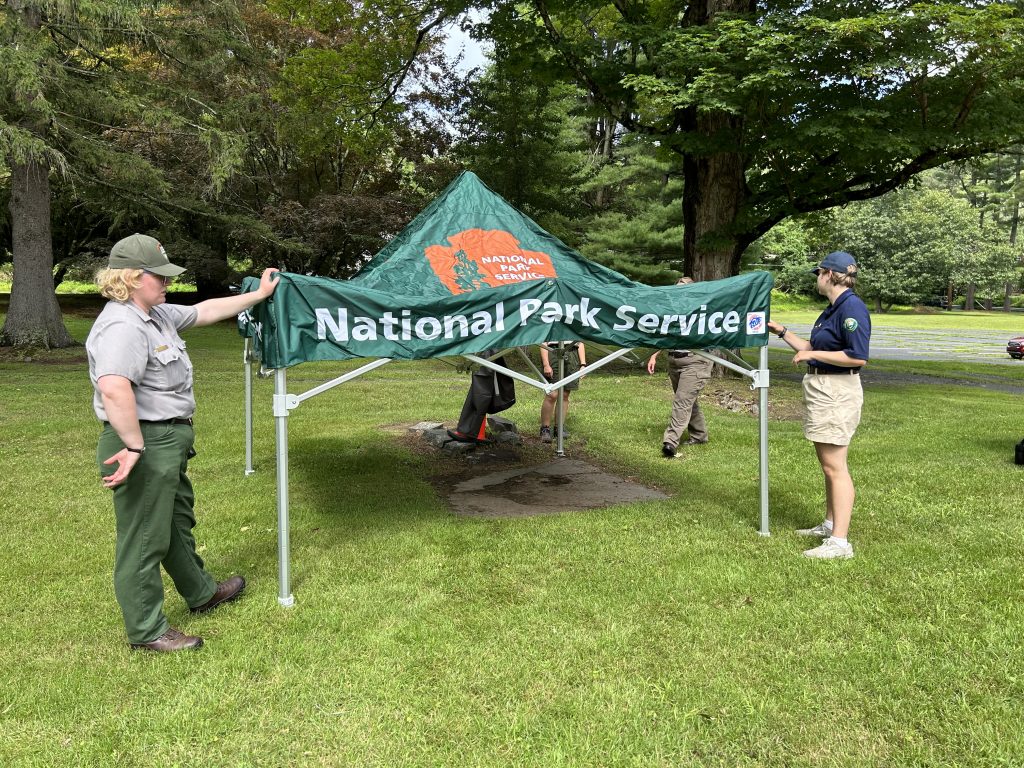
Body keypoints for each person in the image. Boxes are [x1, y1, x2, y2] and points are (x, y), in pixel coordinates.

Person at [86, 233, 281, 652]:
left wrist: (259, 295)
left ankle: (201, 592)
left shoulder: (153, 314)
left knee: (175, 523)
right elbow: (115, 387)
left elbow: (205, 311)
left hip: (165, 440)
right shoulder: (122, 325)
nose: (168, 283)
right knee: (144, 538)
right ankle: (147, 630)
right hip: (143, 442)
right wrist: (136, 447)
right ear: (134, 278)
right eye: (160, 277)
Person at [767, 250, 871, 560]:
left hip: (837, 391)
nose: (817, 278)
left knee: (835, 467)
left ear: (828, 274)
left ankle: (840, 543)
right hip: (824, 388)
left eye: (818, 273)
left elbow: (857, 356)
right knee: (828, 465)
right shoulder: (832, 309)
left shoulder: (851, 309)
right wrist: (783, 332)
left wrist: (814, 356)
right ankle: (829, 525)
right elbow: (814, 347)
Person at [646, 277, 713, 459]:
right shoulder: (673, 311)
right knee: (687, 400)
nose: (679, 292)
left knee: (682, 401)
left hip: (696, 360)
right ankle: (699, 436)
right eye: (677, 289)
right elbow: (668, 335)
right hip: (674, 360)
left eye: (683, 289)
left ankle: (670, 442)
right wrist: (655, 354)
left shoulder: (702, 311)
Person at [447, 349, 516, 443]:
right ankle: (473, 430)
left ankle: (470, 431)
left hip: (487, 344)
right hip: (487, 343)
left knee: (482, 378)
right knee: (481, 379)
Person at [539, 340, 586, 443]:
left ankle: (559, 427)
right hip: (553, 351)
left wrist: (583, 364)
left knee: (565, 394)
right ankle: (545, 429)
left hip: (572, 354)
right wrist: (546, 364)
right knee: (552, 394)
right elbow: (543, 342)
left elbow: (580, 342)